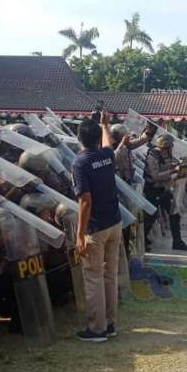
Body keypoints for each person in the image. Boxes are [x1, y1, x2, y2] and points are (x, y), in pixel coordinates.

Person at [72, 116, 123, 343]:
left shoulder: (80, 163)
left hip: (96, 228)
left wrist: (80, 234)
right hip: (114, 223)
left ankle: (97, 329)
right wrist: (104, 124)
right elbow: (109, 144)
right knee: (110, 275)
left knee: (93, 277)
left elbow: (85, 200)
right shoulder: (106, 155)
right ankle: (110, 324)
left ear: (79, 138)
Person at [143, 133, 187, 252]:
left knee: (174, 214)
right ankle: (143, 240)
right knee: (151, 215)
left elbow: (166, 165)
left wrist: (178, 165)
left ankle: (177, 241)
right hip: (153, 189)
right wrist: (172, 171)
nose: (172, 147)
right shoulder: (152, 156)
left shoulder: (165, 154)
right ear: (165, 146)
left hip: (164, 189)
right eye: (171, 145)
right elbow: (155, 176)